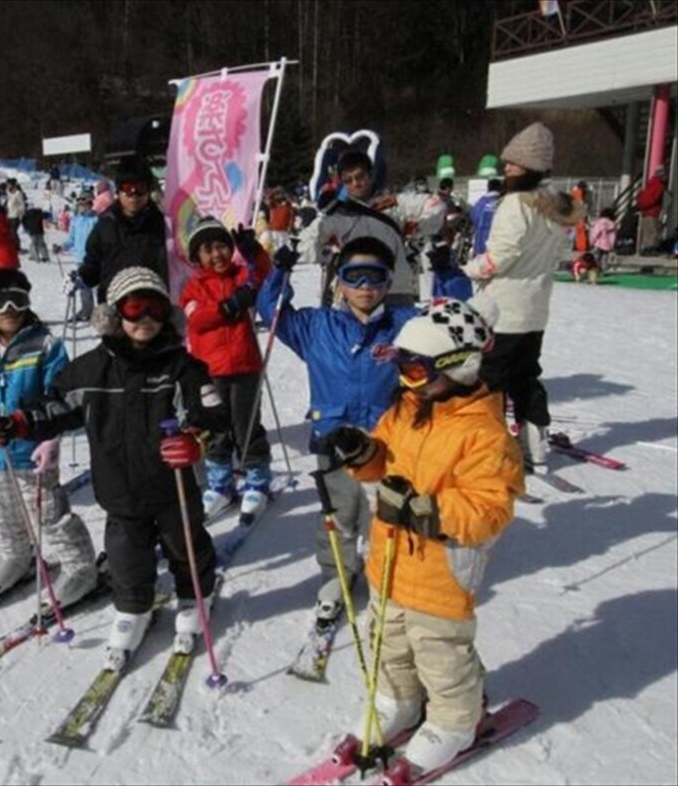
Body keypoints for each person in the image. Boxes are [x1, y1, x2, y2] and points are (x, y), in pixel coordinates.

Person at [321, 295, 523, 779]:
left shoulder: (486, 435)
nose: (407, 381)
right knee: (388, 640)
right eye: (403, 369)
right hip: (389, 560)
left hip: (442, 570)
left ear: (461, 366)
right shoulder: (410, 408)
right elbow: (385, 465)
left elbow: (490, 509)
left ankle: (458, 720)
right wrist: (363, 453)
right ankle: (399, 700)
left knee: (439, 653)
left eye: (417, 370)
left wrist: (424, 510)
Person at [0, 266, 229, 668]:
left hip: (174, 489)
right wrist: (19, 423)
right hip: (119, 489)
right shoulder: (91, 370)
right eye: (135, 308)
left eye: (155, 309)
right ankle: (133, 607)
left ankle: (193, 597)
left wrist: (196, 440)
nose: (145, 319)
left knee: (186, 546)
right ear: (116, 314)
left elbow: (214, 418)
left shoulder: (182, 367)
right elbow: (57, 408)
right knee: (125, 555)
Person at [255, 236, 418, 632]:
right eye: (354, 276)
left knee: (389, 515)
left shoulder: (405, 324)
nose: (365, 287)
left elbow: (451, 327)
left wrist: (447, 272)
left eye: (375, 277)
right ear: (338, 282)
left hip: (389, 441)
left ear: (388, 281)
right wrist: (280, 271)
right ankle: (336, 576)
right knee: (339, 515)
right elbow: (270, 309)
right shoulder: (317, 326)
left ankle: (388, 576)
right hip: (336, 439)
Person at [0, 269, 98, 605]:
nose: (11, 308)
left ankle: (80, 567)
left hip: (33, 449)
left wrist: (52, 437)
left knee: (50, 516)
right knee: (1, 514)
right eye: (2, 301)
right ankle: (16, 555)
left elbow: (60, 396)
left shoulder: (46, 345)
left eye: (20, 299)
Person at [461, 121, 584, 471]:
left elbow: (500, 256)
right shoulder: (557, 204)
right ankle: (535, 445)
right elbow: (555, 251)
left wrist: (467, 269)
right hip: (535, 310)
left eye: (513, 163)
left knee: (490, 382)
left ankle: (490, 450)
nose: (506, 168)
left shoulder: (516, 204)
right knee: (526, 376)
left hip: (504, 311)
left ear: (530, 166)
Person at [180, 216, 273, 520]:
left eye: (222, 246)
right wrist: (229, 306)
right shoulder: (193, 287)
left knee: (246, 425)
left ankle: (256, 480)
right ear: (197, 257)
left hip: (246, 365)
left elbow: (266, 275)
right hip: (210, 371)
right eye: (208, 249)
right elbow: (197, 319)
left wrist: (253, 251)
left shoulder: (241, 275)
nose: (217, 254)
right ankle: (221, 485)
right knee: (215, 429)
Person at [297, 148, 415, 308]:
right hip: (357, 292)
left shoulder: (393, 205)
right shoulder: (339, 215)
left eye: (360, 177)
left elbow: (434, 208)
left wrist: (417, 229)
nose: (355, 183)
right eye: (348, 180)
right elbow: (305, 248)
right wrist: (323, 216)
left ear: (370, 175)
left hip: (395, 290)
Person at [76, 156, 169, 303]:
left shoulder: (162, 224)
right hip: (115, 304)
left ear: (148, 190)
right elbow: (92, 263)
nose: (134, 195)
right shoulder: (105, 225)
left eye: (140, 189)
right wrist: (81, 279)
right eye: (128, 188)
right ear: (118, 191)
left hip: (153, 306)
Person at [53, 190, 98, 322]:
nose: (82, 207)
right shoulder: (76, 220)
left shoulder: (97, 219)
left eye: (85, 203)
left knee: (99, 289)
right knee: (84, 288)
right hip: (80, 259)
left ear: (90, 203)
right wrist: (61, 247)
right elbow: (71, 239)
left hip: (96, 259)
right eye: (80, 204)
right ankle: (86, 311)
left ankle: (102, 313)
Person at [635, 165, 668, 254]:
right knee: (654, 232)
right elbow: (655, 199)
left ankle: (645, 249)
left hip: (645, 212)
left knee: (647, 232)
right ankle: (651, 249)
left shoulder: (649, 184)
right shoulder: (659, 186)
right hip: (653, 212)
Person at [469, 178, 503, 256]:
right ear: (500, 188)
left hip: (480, 240)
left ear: (488, 188)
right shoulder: (503, 202)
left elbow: (473, 218)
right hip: (497, 241)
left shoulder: (479, 203)